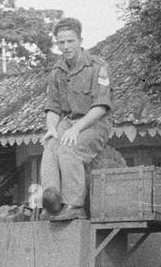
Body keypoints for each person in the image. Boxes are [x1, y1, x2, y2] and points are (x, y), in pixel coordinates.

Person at [40, 17, 113, 220]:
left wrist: (76, 129)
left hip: (94, 123)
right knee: (51, 146)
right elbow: (53, 107)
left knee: (68, 148)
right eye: (61, 42)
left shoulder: (97, 66)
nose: (65, 47)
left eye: (70, 41)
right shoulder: (57, 71)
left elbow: (101, 106)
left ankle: (74, 205)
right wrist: (52, 128)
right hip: (68, 121)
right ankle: (52, 199)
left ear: (80, 40)